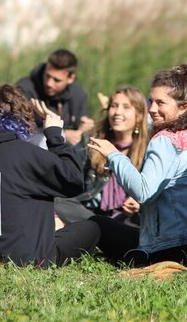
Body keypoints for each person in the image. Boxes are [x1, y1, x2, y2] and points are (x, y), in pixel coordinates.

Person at [0, 84, 98, 266]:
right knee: (94, 226)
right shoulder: (27, 154)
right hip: (26, 259)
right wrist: (55, 135)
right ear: (21, 118)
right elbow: (74, 180)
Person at [89, 66, 187, 267]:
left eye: (160, 103)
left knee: (97, 224)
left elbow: (144, 192)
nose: (152, 109)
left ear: (184, 107)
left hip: (169, 248)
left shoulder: (165, 140)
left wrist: (113, 155)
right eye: (150, 101)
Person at [57, 86, 148, 227]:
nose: (117, 112)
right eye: (114, 106)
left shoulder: (148, 149)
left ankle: (101, 228)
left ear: (140, 115)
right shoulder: (91, 140)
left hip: (126, 222)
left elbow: (154, 193)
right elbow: (67, 173)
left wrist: (139, 204)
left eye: (126, 107)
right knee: (56, 202)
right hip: (88, 214)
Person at [16, 49, 92, 144]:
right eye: (47, 76)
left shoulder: (77, 93)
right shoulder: (25, 89)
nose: (49, 83)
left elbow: (81, 124)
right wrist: (62, 134)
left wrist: (85, 126)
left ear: (71, 78)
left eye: (57, 80)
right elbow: (19, 131)